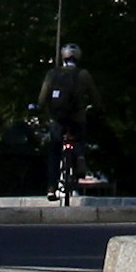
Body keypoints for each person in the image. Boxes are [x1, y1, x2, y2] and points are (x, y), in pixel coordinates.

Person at [37, 43, 102, 203]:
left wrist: (39, 108)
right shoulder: (83, 74)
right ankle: (79, 157)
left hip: (58, 119)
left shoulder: (52, 74)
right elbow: (95, 95)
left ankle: (52, 187)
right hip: (76, 118)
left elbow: (42, 97)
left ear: (63, 56)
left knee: (54, 152)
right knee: (79, 138)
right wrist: (99, 107)